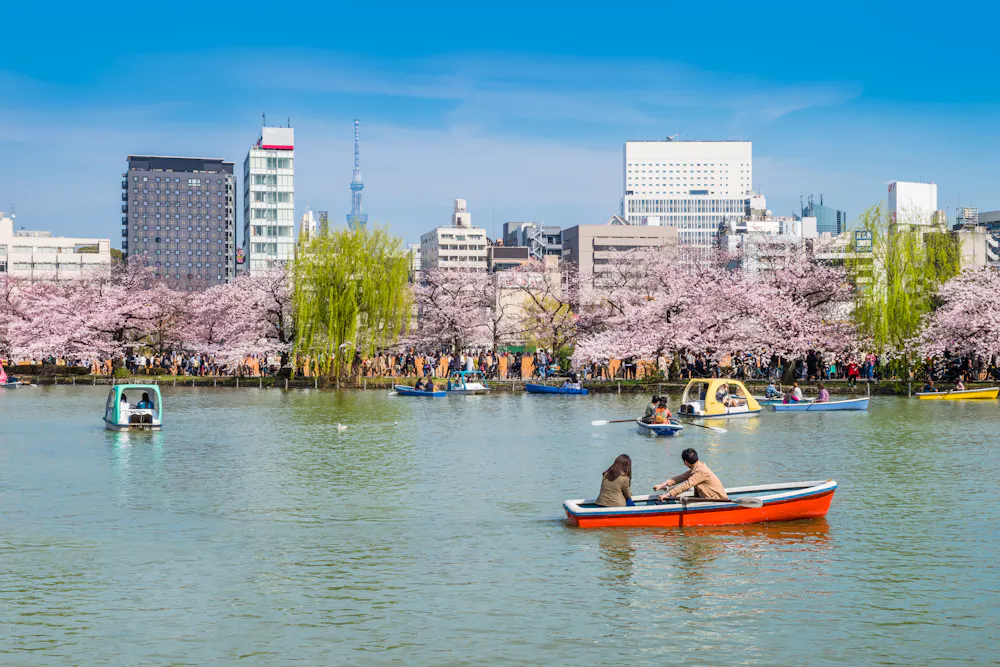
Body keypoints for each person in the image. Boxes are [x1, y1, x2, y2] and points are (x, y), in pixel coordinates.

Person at [653, 448, 726, 500]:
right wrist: (662, 485)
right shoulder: (697, 467)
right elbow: (681, 477)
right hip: (708, 498)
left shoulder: (700, 471)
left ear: (685, 462)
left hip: (717, 500)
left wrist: (667, 494)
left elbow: (686, 485)